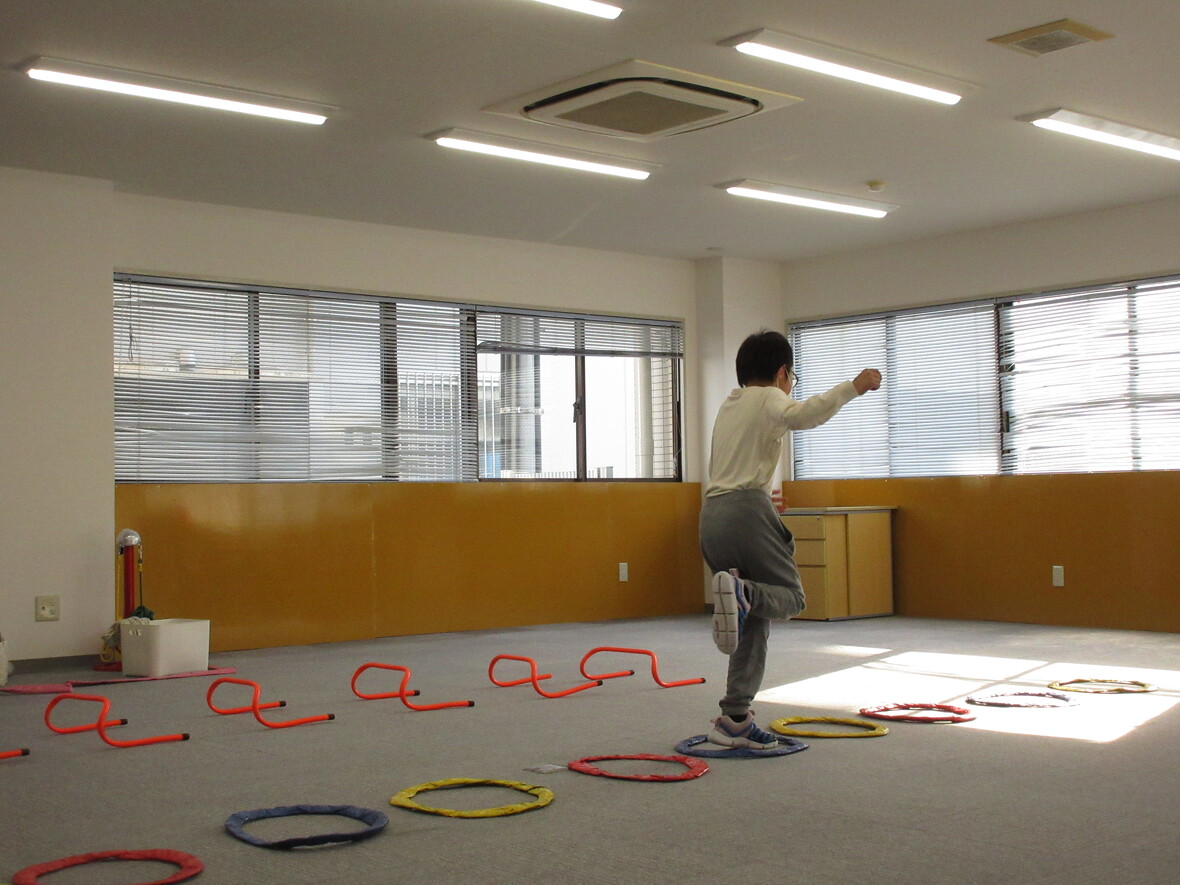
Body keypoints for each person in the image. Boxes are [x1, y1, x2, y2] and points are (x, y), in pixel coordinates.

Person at [700, 329, 881, 748]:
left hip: (712, 516)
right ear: (783, 372)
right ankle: (744, 592)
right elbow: (806, 415)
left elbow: (742, 460)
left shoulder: (730, 404)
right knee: (790, 597)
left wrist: (762, 495)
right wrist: (853, 387)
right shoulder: (770, 397)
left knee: (752, 621)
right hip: (746, 511)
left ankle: (734, 719)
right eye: (792, 377)